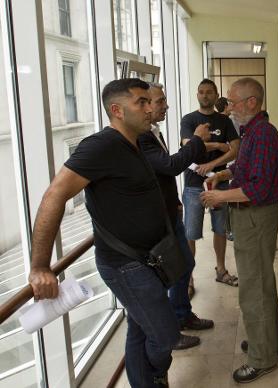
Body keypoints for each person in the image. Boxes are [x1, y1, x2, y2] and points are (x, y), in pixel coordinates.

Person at [28, 78, 178, 387]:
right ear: (117, 110)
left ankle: (144, 382)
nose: (151, 108)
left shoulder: (135, 143)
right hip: (126, 264)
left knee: (141, 329)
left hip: (150, 259)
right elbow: (53, 196)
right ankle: (154, 374)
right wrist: (41, 266)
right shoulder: (101, 146)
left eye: (150, 102)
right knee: (165, 336)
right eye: (142, 102)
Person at [201, 77, 278, 384]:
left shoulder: (262, 134)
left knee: (253, 289)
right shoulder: (253, 132)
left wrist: (219, 196)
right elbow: (244, 168)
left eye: (234, 102)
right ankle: (269, 342)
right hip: (252, 218)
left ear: (252, 102)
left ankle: (262, 358)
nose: (230, 108)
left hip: (256, 217)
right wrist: (224, 172)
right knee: (262, 282)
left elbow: (258, 187)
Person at [137, 83, 215, 350]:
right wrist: (198, 140)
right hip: (158, 220)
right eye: (160, 101)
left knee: (185, 265)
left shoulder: (151, 132)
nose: (165, 105)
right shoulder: (142, 137)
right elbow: (170, 166)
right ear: (145, 104)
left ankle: (181, 315)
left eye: (164, 100)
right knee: (171, 272)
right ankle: (173, 327)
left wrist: (174, 202)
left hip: (169, 211)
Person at [180, 79, 240, 288]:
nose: (205, 95)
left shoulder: (225, 122)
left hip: (220, 182)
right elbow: (189, 146)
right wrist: (220, 146)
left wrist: (212, 158)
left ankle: (221, 270)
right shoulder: (188, 120)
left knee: (220, 228)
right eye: (201, 92)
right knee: (191, 233)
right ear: (197, 95)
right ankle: (188, 278)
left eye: (209, 92)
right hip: (193, 184)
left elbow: (235, 149)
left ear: (216, 96)